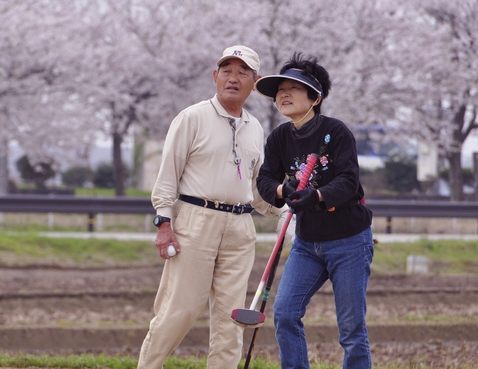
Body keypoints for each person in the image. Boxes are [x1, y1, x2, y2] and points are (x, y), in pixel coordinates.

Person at [137, 45, 287, 369]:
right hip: (195, 221)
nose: (233, 78)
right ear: (215, 76)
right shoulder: (192, 117)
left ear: (255, 80)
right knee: (181, 309)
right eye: (227, 70)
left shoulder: (256, 127)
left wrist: (285, 210)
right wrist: (164, 223)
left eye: (242, 71)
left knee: (231, 319)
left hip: (240, 227)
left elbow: (257, 189)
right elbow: (167, 177)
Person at [255, 52, 374, 369]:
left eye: (293, 87)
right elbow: (265, 179)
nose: (284, 93)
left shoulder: (336, 132)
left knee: (350, 328)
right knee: (284, 313)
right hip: (307, 243)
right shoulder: (279, 137)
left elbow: (349, 181)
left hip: (349, 240)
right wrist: (283, 190)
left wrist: (317, 195)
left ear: (315, 96)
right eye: (281, 88)